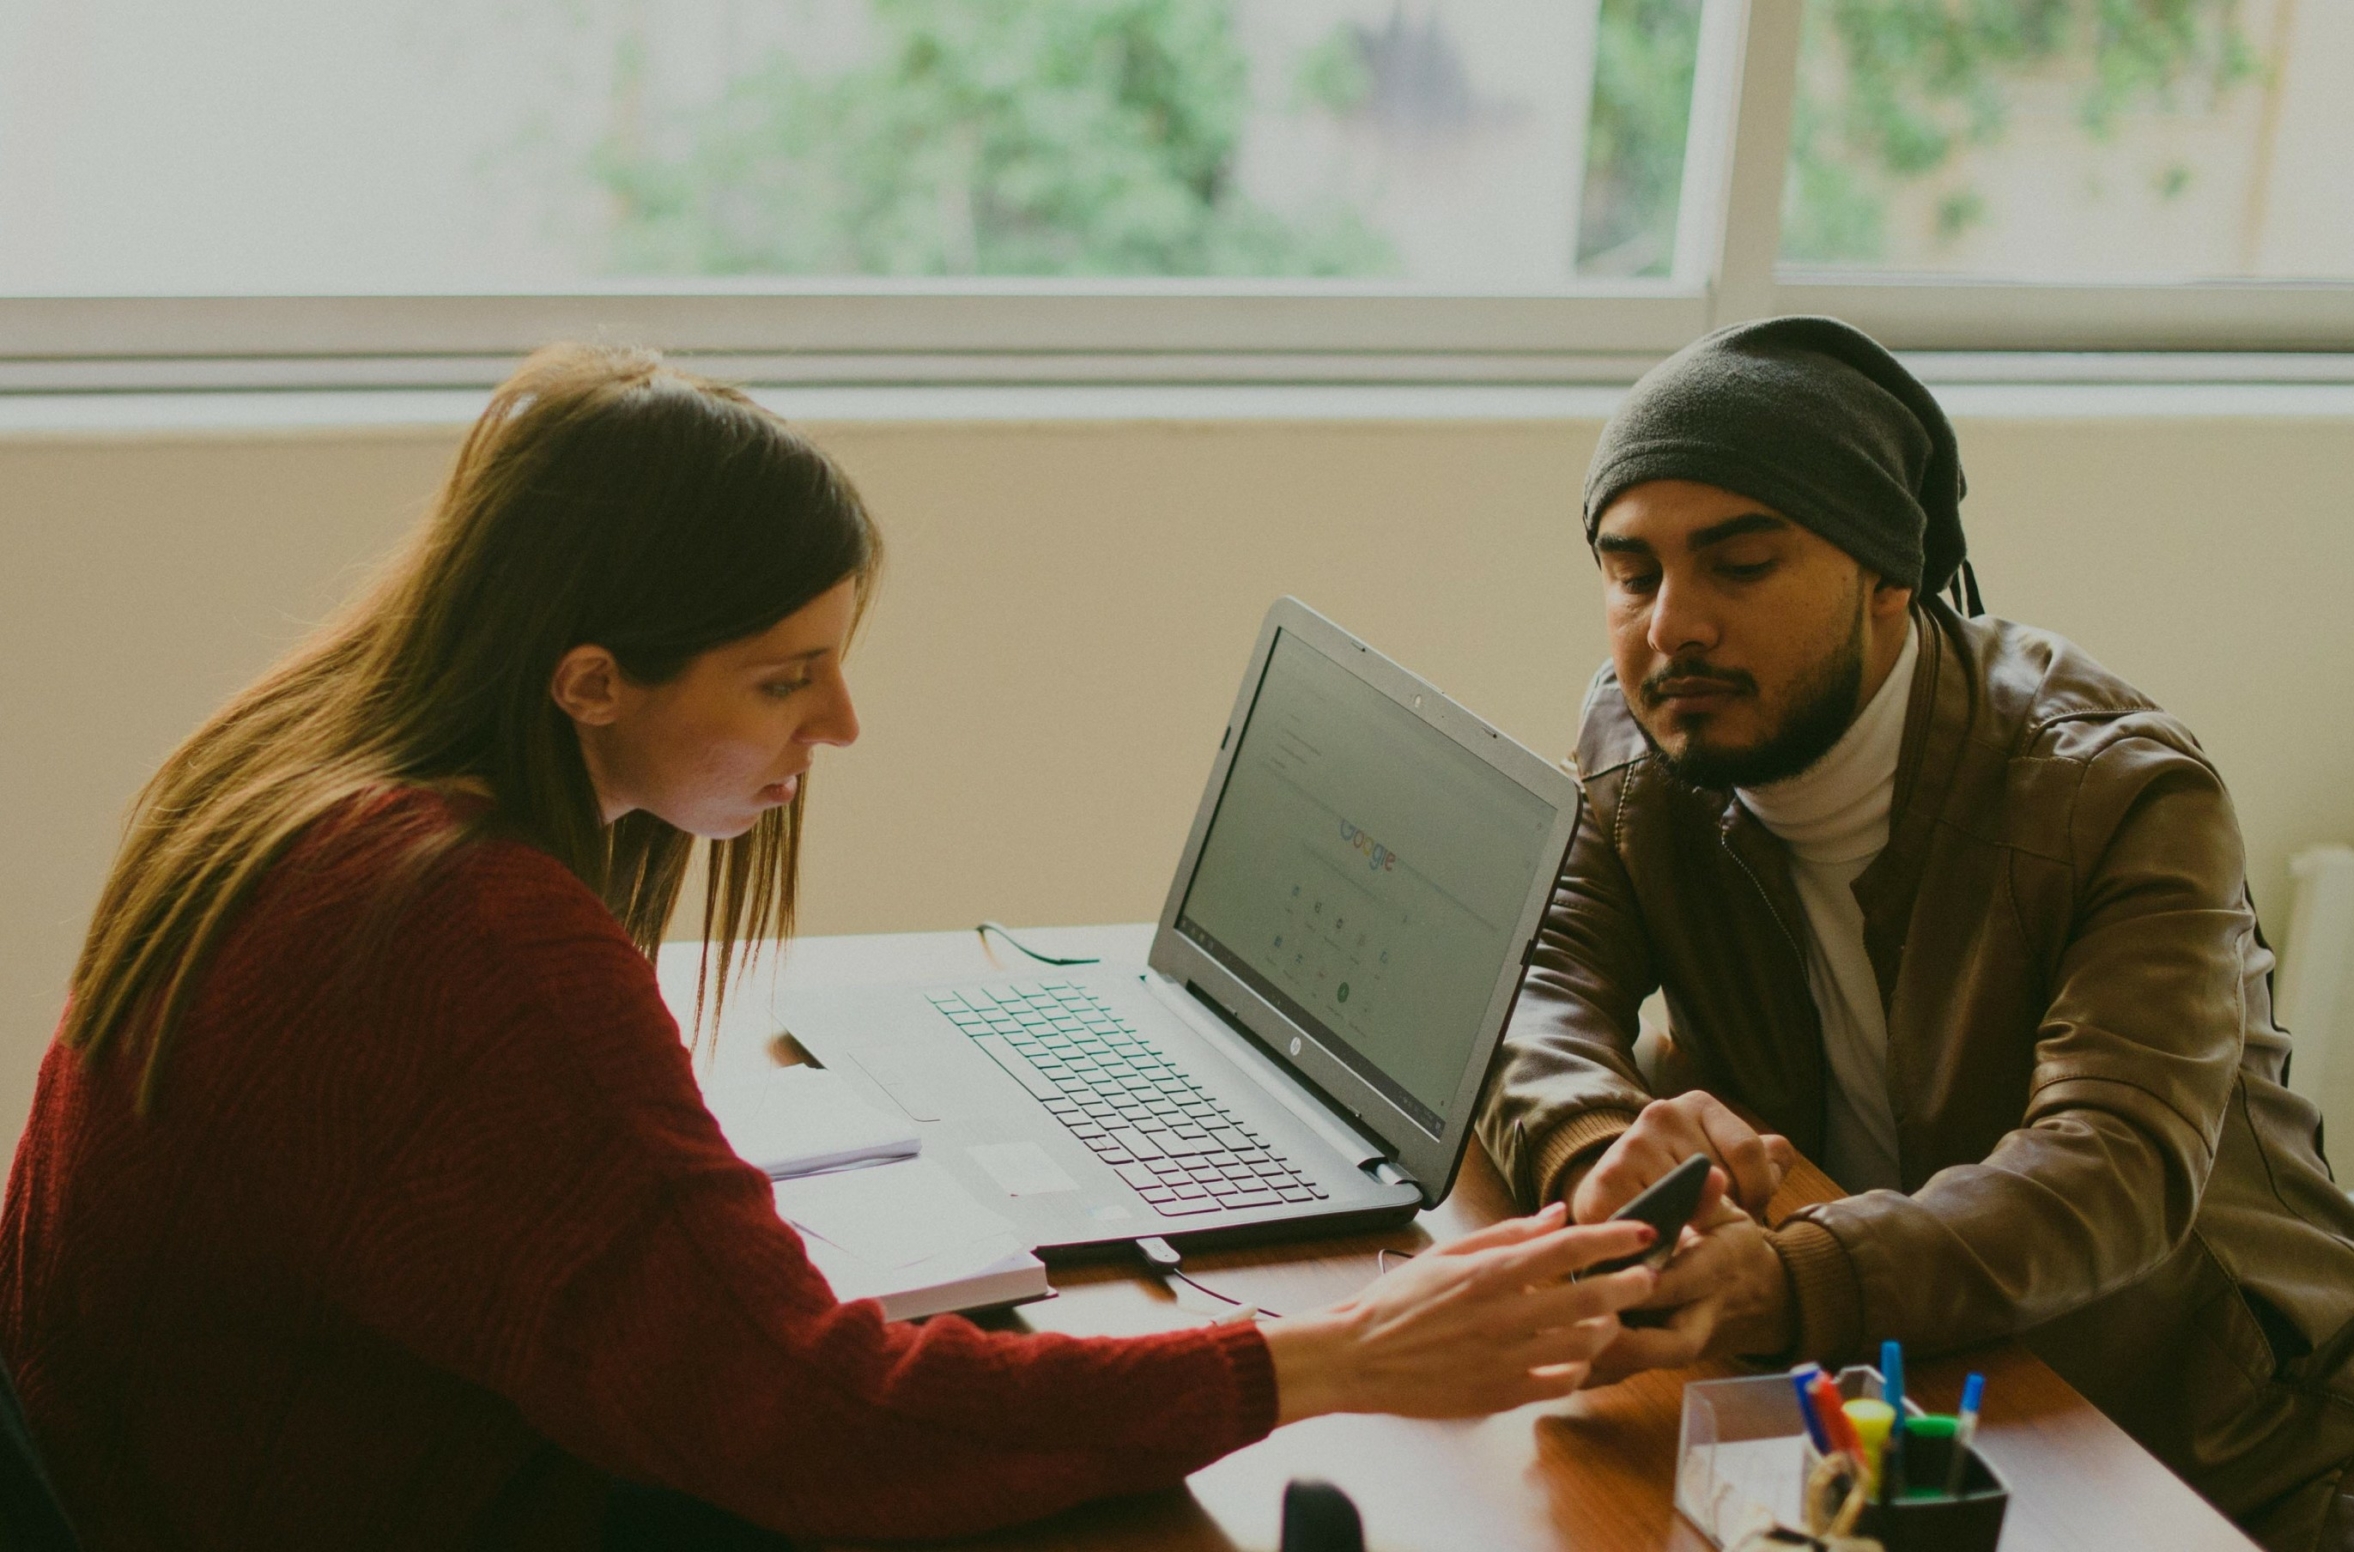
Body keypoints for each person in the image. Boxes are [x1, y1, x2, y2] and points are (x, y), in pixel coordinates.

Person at [0, 344, 1665, 1550]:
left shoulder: (306, 763)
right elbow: (811, 1418)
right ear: (589, 679)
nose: (840, 724)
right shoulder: (463, 928)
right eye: (782, 678)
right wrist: (1334, 1356)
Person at [1485, 317, 2354, 1552]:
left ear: (1887, 576)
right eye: (1632, 573)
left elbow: (2110, 1163)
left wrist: (1793, 1278)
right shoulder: (1639, 747)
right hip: (1896, 1424)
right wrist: (1600, 1150)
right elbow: (1532, 985)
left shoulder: (2116, 793)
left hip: (2243, 1455)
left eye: (1739, 565)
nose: (1669, 626)